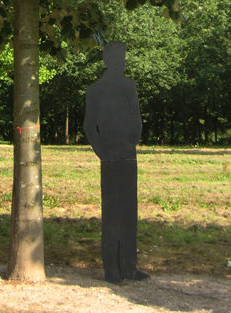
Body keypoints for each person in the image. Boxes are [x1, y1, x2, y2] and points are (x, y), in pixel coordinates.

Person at [83, 41, 149, 284]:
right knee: (113, 214)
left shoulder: (127, 86)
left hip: (125, 154)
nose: (121, 62)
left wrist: (132, 141)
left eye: (123, 57)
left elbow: (136, 119)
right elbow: (90, 127)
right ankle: (112, 269)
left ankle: (129, 267)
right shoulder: (96, 90)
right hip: (113, 156)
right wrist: (103, 152)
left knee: (128, 212)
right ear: (108, 61)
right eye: (117, 58)